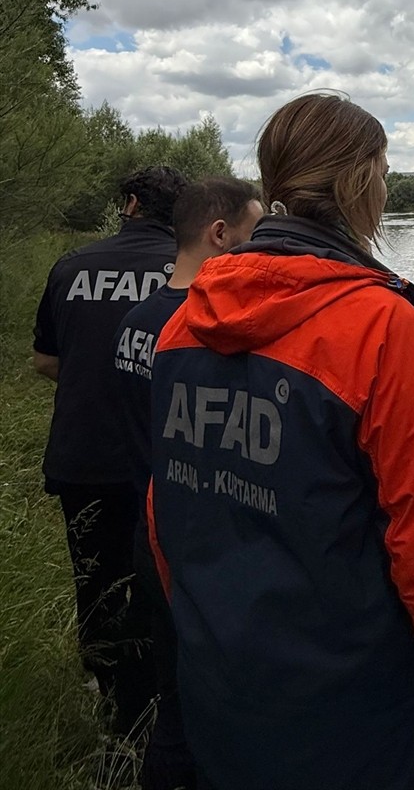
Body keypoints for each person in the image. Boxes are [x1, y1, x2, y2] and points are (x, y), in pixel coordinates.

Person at [148, 92, 414, 790]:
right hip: (353, 720)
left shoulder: (181, 327)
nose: (386, 186)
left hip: (218, 692)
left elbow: (165, 514)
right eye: (382, 170)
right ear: (356, 184)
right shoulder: (383, 329)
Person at [114, 177, 264, 790]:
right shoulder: (203, 331)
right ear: (219, 234)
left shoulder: (135, 322)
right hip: (196, 543)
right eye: (253, 238)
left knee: (166, 687)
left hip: (147, 528)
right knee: (199, 706)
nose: (259, 255)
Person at [32, 165, 187, 726]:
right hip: (164, 464)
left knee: (94, 579)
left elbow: (46, 360)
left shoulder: (71, 265)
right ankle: (160, 702)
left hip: (82, 456)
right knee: (164, 581)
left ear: (129, 204)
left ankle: (108, 701)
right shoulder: (191, 273)